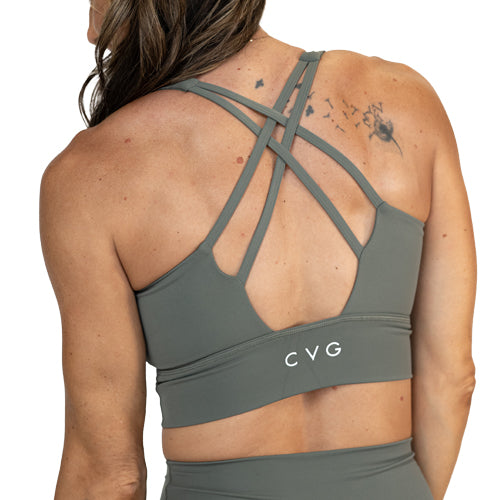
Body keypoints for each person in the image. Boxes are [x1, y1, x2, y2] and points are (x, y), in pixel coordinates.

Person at [39, 1, 476, 499]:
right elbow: (452, 379)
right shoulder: (404, 101)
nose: (88, 19)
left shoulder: (91, 175)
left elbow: (108, 477)